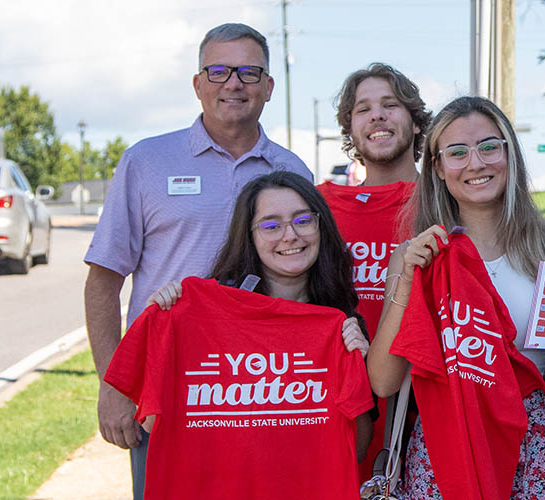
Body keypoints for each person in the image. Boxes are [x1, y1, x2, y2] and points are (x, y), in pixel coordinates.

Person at [83, 22, 311, 498]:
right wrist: (115, 384)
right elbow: (103, 283)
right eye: (220, 71)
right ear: (198, 84)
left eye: (249, 73)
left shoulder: (293, 172)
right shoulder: (147, 162)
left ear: (269, 87)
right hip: (165, 390)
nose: (234, 83)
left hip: (264, 393)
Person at [368, 96, 545, 499]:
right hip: (446, 452)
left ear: (508, 152)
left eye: (488, 147)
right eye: (457, 153)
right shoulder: (417, 255)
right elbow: (383, 382)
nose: (476, 164)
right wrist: (409, 282)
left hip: (530, 450)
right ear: (438, 167)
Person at [114, 171, 373, 498]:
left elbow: (358, 448)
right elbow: (155, 425)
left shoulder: (340, 324)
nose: (290, 235)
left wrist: (359, 364)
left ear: (321, 226)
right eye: (271, 225)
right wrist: (167, 331)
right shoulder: (199, 315)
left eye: (303, 220)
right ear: (248, 236)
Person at [316, 63, 432, 478]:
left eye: (390, 104)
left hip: (421, 410)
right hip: (336, 406)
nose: (377, 115)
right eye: (362, 109)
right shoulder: (315, 208)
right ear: (350, 128)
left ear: (417, 123)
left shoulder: (445, 201)